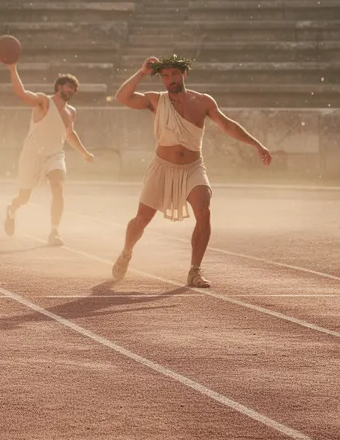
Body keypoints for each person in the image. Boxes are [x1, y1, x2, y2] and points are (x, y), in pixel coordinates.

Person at [110, 54, 272, 287]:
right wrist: (142, 72)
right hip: (162, 167)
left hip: (193, 167)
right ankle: (126, 253)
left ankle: (194, 270)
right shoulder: (156, 100)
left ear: (184, 74)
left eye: (175, 74)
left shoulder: (203, 101)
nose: (171, 79)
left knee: (204, 210)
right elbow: (122, 97)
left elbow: (227, 125)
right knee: (142, 219)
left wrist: (257, 145)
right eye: (165, 76)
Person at [3, 65, 95, 246]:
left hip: (55, 155)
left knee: (58, 188)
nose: (72, 91)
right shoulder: (43, 102)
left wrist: (84, 153)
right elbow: (22, 93)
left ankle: (54, 232)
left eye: (74, 89)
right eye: (69, 86)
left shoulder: (71, 111)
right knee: (24, 197)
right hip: (32, 154)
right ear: (59, 86)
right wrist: (13, 68)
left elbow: (69, 134)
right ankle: (11, 210)